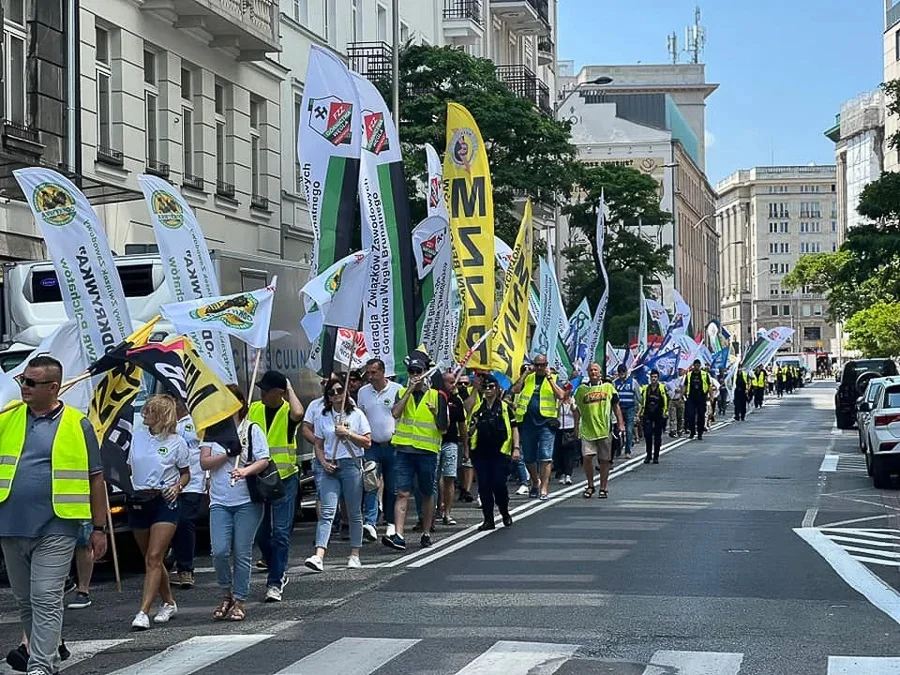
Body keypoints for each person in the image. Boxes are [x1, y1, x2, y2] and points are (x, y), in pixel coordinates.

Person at [0, 356, 107, 675]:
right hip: (10, 526)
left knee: (45, 597)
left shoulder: (78, 423)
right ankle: (46, 656)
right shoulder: (8, 418)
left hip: (57, 526)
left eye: (32, 383)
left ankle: (40, 665)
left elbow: (96, 478)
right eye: (23, 380)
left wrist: (98, 528)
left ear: (54, 387)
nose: (25, 387)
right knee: (25, 601)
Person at [200, 385, 270, 622]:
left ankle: (240, 599)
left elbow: (263, 459)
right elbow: (204, 463)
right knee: (219, 550)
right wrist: (228, 454)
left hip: (247, 500)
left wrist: (245, 470)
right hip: (219, 500)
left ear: (241, 403)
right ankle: (225, 593)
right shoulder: (212, 431)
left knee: (242, 551)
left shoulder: (251, 429)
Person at [127, 394, 190, 630]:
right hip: (139, 498)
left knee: (154, 556)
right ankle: (169, 602)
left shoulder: (177, 442)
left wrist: (178, 486)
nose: (145, 414)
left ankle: (143, 611)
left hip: (165, 499)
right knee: (151, 558)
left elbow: (186, 472)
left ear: (161, 415)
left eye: (150, 411)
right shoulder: (137, 438)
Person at [249, 370, 304, 602]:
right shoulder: (254, 409)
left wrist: (290, 388)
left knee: (280, 532)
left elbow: (299, 412)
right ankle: (276, 568)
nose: (262, 392)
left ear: (279, 393)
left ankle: (274, 582)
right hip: (260, 479)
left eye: (267, 389)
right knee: (261, 533)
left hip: (284, 479)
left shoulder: (287, 413)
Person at [383, 353, 447, 551]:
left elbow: (444, 427)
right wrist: (409, 390)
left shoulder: (437, 396)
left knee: (426, 492)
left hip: (427, 452)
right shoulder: (402, 392)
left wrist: (436, 412)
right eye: (411, 371)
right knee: (402, 492)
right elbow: (395, 413)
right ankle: (399, 535)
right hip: (404, 450)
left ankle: (427, 531)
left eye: (418, 371)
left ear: (425, 373)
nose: (415, 375)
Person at [305, 380, 372, 571]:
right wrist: (323, 462)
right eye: (331, 392)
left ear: (346, 393)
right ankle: (319, 555)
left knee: (353, 512)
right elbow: (318, 443)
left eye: (339, 391)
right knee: (327, 511)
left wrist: (348, 433)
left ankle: (355, 554)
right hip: (330, 467)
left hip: (351, 465)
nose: (335, 394)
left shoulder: (356, 414)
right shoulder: (323, 416)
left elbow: (367, 442)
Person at [356, 359, 403, 541]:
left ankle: (391, 522)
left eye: (374, 373)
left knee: (392, 487)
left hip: (393, 445)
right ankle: (370, 522)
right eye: (368, 373)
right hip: (372, 446)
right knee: (371, 484)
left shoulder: (397, 389)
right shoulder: (363, 392)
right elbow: (360, 417)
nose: (370, 377)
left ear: (383, 372)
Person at [465, 374, 519, 530]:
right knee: (484, 487)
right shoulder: (477, 407)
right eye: (485, 387)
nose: (488, 390)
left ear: (496, 388)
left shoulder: (504, 407)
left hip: (500, 452)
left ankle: (504, 512)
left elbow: (514, 428)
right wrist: (475, 388)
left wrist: (516, 448)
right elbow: (468, 417)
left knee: (499, 485)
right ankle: (488, 519)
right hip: (481, 452)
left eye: (491, 387)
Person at [511, 355, 565, 500]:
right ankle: (535, 481)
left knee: (545, 456)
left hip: (546, 422)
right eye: (537, 365)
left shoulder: (553, 377)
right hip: (528, 422)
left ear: (546, 365)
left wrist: (550, 379)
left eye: (542, 365)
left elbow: (561, 395)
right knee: (528, 457)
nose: (539, 368)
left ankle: (544, 488)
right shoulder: (528, 377)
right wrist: (524, 375)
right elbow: (515, 390)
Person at [574, 363, 625, 499]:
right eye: (590, 370)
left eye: (595, 370)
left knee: (604, 460)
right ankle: (590, 485)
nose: (593, 372)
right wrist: (576, 428)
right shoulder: (581, 390)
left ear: (600, 372)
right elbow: (576, 410)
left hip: (603, 430)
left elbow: (616, 406)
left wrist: (621, 424)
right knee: (587, 457)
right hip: (587, 430)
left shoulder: (608, 387)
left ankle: (603, 487)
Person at [171, 403, 203, 589]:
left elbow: (208, 447)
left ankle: (186, 570)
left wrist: (207, 478)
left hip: (193, 480)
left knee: (185, 522)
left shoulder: (198, 420)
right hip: (168, 483)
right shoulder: (166, 423)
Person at [437, 370, 467, 525]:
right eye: (450, 381)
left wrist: (466, 447)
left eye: (453, 381)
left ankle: (447, 513)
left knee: (449, 477)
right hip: (434, 443)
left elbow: (462, 426)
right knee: (435, 478)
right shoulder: (435, 398)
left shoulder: (457, 401)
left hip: (451, 442)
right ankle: (437, 508)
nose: (453, 384)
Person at [612, 365, 641, 459]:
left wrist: (638, 409)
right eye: (620, 373)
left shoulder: (633, 382)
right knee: (616, 429)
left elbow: (638, 396)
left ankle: (628, 451)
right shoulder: (615, 383)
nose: (621, 374)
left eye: (623, 372)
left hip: (630, 408)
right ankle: (617, 448)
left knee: (629, 429)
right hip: (618, 409)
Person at [640, 370, 669, 464]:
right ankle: (648, 455)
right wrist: (639, 413)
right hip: (647, 414)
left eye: (655, 377)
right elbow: (641, 401)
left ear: (658, 378)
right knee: (648, 435)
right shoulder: (645, 389)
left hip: (659, 415)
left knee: (657, 436)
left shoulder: (662, 388)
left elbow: (666, 400)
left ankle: (656, 456)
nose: (653, 379)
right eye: (652, 377)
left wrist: (665, 412)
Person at [554, 385, 578, 485]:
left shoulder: (573, 400)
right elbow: (555, 414)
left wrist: (576, 429)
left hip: (570, 429)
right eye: (564, 389)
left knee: (569, 453)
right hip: (559, 429)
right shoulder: (557, 401)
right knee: (559, 453)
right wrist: (560, 403)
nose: (565, 391)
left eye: (567, 390)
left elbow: (577, 415)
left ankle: (568, 474)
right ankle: (561, 472)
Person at [684, 360, 711, 441]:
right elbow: (685, 386)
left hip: (701, 398)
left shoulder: (705, 374)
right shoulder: (689, 375)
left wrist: (711, 396)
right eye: (695, 365)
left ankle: (700, 433)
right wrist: (681, 395)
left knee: (701, 416)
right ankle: (692, 432)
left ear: (699, 366)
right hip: (691, 398)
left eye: (698, 365)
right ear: (693, 365)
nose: (696, 367)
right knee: (690, 415)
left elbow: (709, 386)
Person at [666, 369, 686, 438]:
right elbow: (667, 390)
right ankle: (673, 430)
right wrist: (672, 392)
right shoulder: (669, 381)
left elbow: (684, 388)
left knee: (680, 416)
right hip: (672, 400)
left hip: (680, 400)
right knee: (672, 416)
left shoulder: (683, 379)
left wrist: (681, 391)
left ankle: (680, 429)